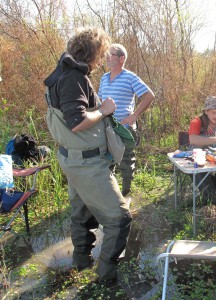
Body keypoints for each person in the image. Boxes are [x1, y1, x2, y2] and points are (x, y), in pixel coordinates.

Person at [44, 28, 132, 284]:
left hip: (74, 159)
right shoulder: (73, 77)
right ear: (93, 52)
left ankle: (81, 263)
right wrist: (104, 110)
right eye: (101, 54)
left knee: (82, 214)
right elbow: (76, 121)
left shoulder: (64, 71)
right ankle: (105, 277)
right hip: (87, 163)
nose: (101, 60)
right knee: (120, 218)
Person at [98, 43, 155, 196]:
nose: (107, 58)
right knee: (106, 159)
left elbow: (149, 96)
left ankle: (126, 192)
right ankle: (110, 192)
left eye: (111, 55)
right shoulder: (104, 77)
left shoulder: (130, 77)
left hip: (124, 127)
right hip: (106, 126)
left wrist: (134, 116)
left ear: (121, 58)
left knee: (126, 160)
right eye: (106, 55)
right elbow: (100, 101)